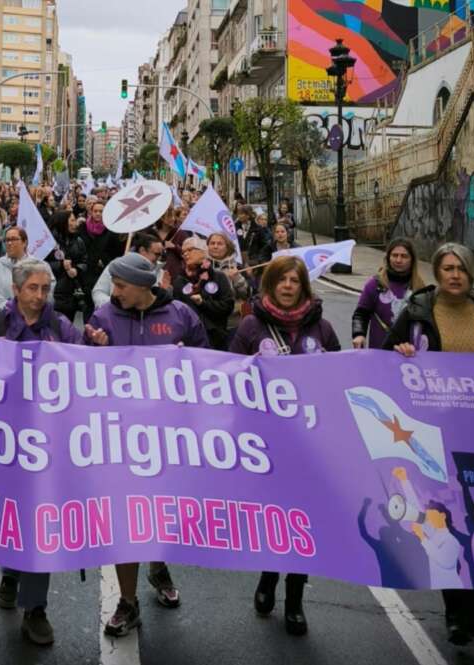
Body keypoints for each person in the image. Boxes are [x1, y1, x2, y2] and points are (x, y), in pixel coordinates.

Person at [385, 242, 474, 645]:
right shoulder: (416, 311)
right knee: (447, 519)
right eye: (447, 268)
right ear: (436, 272)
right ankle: (456, 614)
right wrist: (401, 351)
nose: (454, 275)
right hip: (432, 437)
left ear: (471, 273)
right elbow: (383, 364)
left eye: (461, 268)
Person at [86, 254, 209, 637]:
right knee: (126, 519)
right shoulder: (104, 318)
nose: (113, 291)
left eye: (120, 285)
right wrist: (96, 350)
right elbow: (77, 374)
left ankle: (158, 567)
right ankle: (128, 601)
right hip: (119, 437)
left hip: (168, 438)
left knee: (160, 514)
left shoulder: (181, 316)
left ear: (143, 286)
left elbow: (207, 367)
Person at [229, 256, 340, 636]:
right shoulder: (251, 326)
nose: (289, 286)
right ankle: (268, 575)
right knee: (275, 519)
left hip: (311, 444)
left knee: (304, 522)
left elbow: (343, 377)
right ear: (271, 285)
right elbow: (228, 375)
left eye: (296, 280)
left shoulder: (321, 328)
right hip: (267, 444)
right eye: (283, 280)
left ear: (304, 286)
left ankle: (295, 601)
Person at [0, 258, 84, 646]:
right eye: (33, 289)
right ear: (16, 289)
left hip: (50, 446)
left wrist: (100, 348)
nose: (40, 297)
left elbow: (88, 367)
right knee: (12, 518)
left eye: (45, 289)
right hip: (6, 444)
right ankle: (10, 572)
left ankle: (35, 608)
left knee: (41, 523)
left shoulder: (61, 327)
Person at [352, 239, 425, 350]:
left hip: (409, 355)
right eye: (394, 255)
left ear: (412, 260)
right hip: (379, 353)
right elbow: (361, 314)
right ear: (388, 258)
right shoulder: (375, 284)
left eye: (404, 256)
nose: (398, 260)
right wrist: (359, 334)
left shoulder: (420, 289)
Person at [174, 236, 235, 350]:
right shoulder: (180, 281)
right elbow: (177, 313)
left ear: (204, 252)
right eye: (183, 252)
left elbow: (227, 306)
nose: (186, 254)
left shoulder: (218, 277)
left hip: (216, 340)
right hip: (189, 341)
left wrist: (203, 303)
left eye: (190, 250)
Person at [0, 227, 54, 319]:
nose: (9, 243)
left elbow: (48, 293)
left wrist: (29, 310)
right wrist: (13, 309)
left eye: (14, 239)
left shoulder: (42, 267)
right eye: (6, 240)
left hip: (32, 321)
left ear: (25, 242)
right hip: (1, 322)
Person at [91, 233, 168, 310]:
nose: (159, 258)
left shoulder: (161, 274)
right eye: (157, 254)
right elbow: (98, 292)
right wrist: (115, 307)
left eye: (161, 255)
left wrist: (163, 293)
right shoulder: (117, 266)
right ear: (142, 250)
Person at [47, 210, 90, 323]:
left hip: (72, 293)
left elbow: (85, 261)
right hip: (54, 292)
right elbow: (42, 264)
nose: (75, 223)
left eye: (75, 220)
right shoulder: (49, 243)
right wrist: (60, 265)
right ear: (63, 222)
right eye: (72, 220)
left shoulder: (78, 241)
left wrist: (77, 269)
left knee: (68, 327)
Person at [206, 232, 250, 341]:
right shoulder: (200, 266)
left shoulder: (237, 266)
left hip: (231, 323)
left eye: (220, 244)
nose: (215, 246)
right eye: (212, 243)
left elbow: (246, 295)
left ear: (227, 247)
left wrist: (237, 278)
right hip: (207, 323)